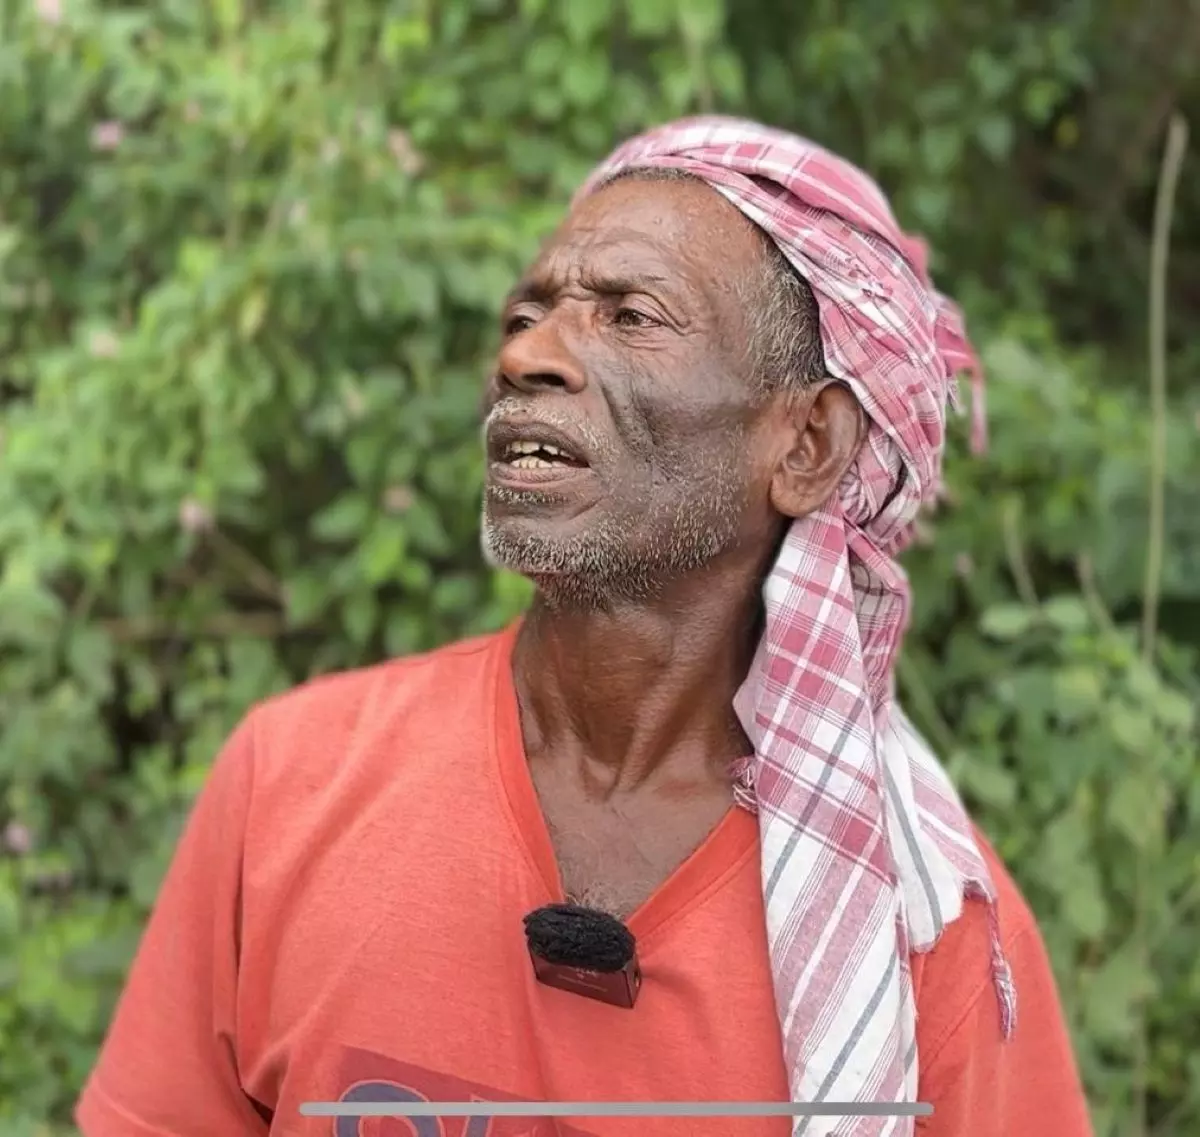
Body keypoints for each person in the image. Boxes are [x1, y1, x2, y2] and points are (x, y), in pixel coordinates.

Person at [75, 117, 1093, 1137]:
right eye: (531, 312)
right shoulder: (292, 781)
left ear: (808, 445)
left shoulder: (922, 937)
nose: (528, 355)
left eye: (631, 315)